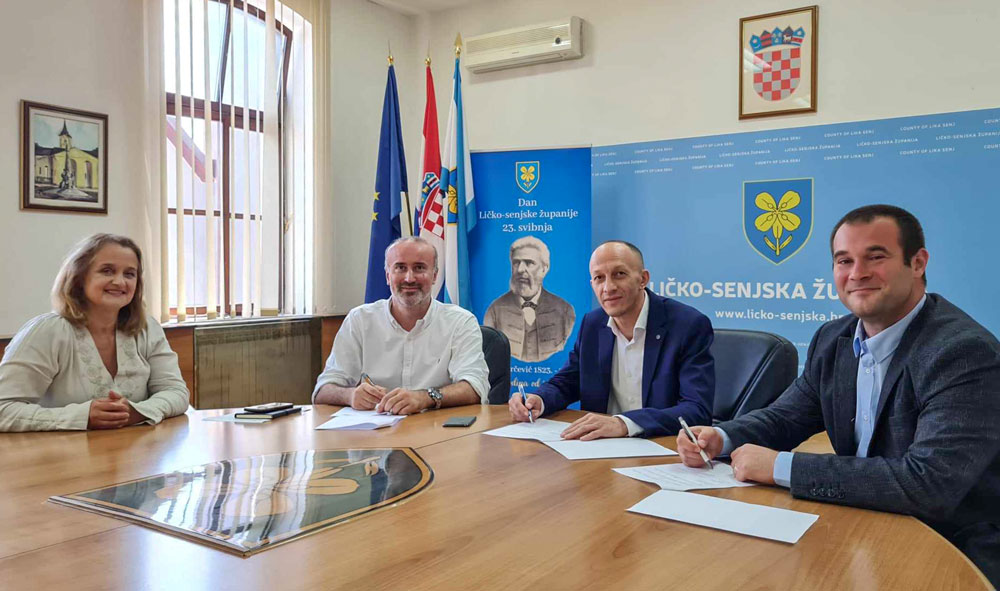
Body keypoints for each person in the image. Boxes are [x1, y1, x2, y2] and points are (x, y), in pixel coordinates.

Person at [676, 205, 1000, 586]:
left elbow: (928, 484)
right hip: (862, 522)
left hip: (951, 546)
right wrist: (722, 437)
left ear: (917, 263)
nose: (857, 273)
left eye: (875, 257)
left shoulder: (962, 352)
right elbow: (787, 416)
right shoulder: (833, 339)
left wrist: (782, 467)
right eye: (844, 261)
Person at [509, 240, 715, 440]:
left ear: (643, 279)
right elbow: (568, 382)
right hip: (599, 448)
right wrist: (539, 400)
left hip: (660, 446)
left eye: (619, 274)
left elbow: (696, 410)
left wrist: (624, 424)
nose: (608, 287)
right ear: (592, 284)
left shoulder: (687, 325)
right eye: (599, 278)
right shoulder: (592, 324)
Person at [0, 234, 190, 432]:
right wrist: (82, 417)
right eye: (107, 271)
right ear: (79, 277)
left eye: (129, 274)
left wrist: (138, 412)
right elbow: (3, 409)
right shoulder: (47, 331)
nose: (120, 281)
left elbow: (176, 392)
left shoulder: (147, 328)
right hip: (58, 450)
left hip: (136, 449)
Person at [313, 236, 489, 414]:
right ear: (388, 276)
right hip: (376, 429)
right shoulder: (359, 320)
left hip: (437, 426)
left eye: (419, 268)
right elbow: (323, 390)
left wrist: (424, 398)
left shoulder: (460, 322)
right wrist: (350, 396)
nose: (409, 278)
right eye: (400, 268)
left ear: (435, 276)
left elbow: (475, 387)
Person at [484, 236, 575, 362]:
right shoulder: (494, 311)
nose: (520, 269)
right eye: (516, 263)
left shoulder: (564, 311)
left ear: (544, 269)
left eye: (529, 263)